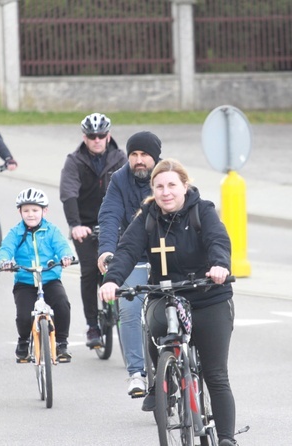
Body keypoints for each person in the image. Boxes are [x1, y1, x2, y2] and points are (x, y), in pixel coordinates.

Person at [98, 159, 239, 446]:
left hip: (208, 296)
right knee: (154, 323)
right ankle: (164, 376)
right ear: (153, 189)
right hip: (167, 294)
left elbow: (218, 241)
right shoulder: (148, 218)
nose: (166, 192)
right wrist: (112, 280)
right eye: (159, 186)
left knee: (215, 374)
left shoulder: (203, 211)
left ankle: (226, 439)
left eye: (172, 185)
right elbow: (126, 250)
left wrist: (219, 265)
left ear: (184, 186)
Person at [97, 131, 161, 405]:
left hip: (164, 255)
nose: (138, 160)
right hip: (131, 254)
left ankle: (177, 363)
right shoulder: (119, 180)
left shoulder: (166, 177)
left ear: (155, 157)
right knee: (129, 310)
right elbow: (110, 215)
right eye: (134, 155)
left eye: (144, 155)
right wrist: (107, 250)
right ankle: (137, 373)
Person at [60, 112, 127, 348]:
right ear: (84, 137)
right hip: (85, 226)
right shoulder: (75, 160)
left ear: (108, 136)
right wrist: (75, 225)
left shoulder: (120, 158)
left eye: (101, 135)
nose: (96, 140)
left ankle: (126, 321)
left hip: (116, 223)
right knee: (89, 271)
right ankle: (92, 325)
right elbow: (68, 193)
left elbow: (130, 189)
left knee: (121, 270)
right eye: (92, 136)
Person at [0, 188, 75, 363]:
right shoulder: (15, 232)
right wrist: (5, 261)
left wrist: (66, 256)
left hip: (49, 278)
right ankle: (23, 341)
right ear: (20, 212)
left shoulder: (52, 230)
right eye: (26, 211)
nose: (30, 214)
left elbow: (62, 245)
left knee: (62, 304)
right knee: (24, 316)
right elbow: (6, 248)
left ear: (44, 211)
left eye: (35, 210)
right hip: (25, 281)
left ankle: (62, 343)